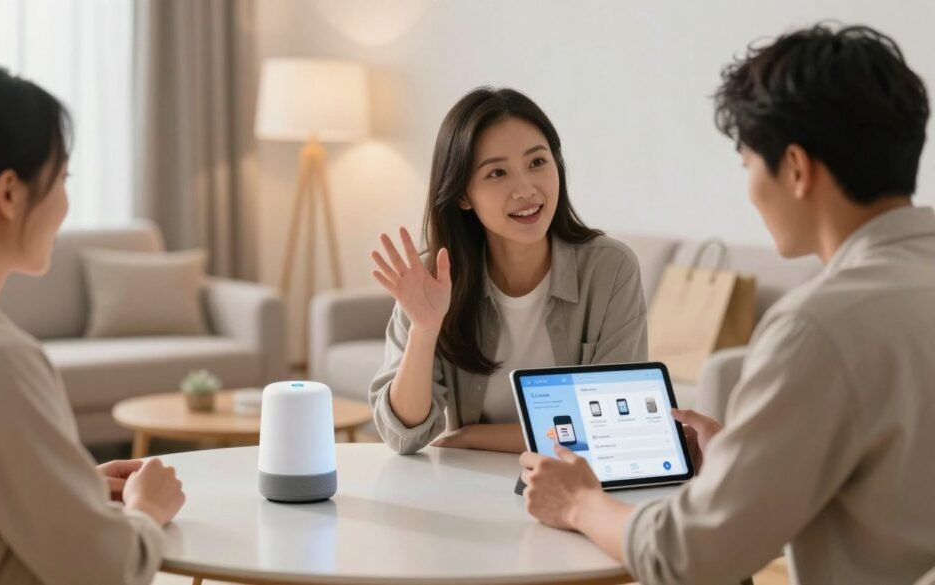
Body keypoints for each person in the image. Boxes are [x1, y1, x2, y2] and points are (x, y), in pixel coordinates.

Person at [520, 24, 935, 584]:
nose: (749, 189)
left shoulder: (819, 326)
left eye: (747, 165)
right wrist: (747, 465)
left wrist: (579, 503)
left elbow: (688, 557)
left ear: (796, 168)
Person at [0, 65, 185, 584]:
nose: (65, 203)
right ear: (9, 193)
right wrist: (148, 510)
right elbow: (105, 571)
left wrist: (73, 487)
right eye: (62, 179)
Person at [369, 88, 647, 455]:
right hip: (468, 480)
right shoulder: (432, 278)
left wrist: (470, 438)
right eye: (497, 172)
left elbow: (616, 425)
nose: (526, 189)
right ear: (463, 194)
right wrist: (424, 328)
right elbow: (404, 437)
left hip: (571, 481)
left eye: (537, 162)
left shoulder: (611, 269)